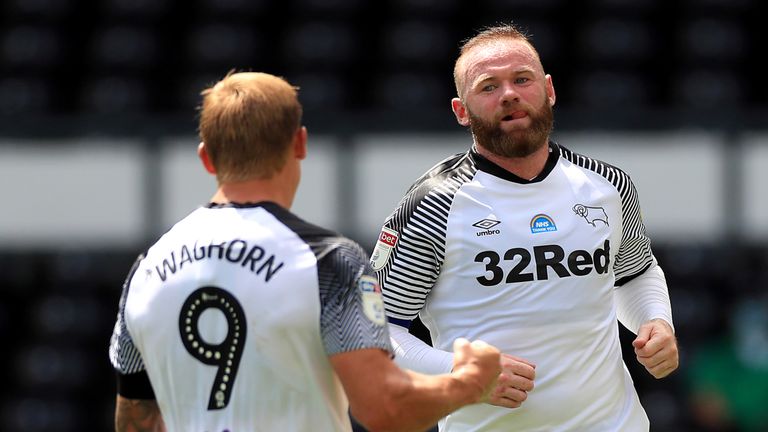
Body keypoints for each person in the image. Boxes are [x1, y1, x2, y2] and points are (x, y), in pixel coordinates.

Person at [107, 71, 503, 432]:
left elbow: (135, 421)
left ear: (206, 157)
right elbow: (384, 408)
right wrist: (468, 382)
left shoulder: (147, 269)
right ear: (300, 143)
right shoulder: (328, 260)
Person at [370, 24, 679, 431]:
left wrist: (656, 322)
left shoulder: (607, 185)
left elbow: (635, 275)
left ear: (548, 90)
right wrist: (462, 372)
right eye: (488, 87)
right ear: (461, 111)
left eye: (521, 79)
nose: (509, 94)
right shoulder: (433, 204)